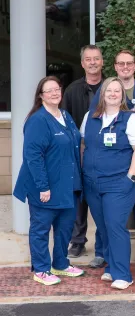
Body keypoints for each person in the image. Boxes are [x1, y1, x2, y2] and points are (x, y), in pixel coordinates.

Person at [14, 76, 84, 286]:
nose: (55, 93)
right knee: (41, 229)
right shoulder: (37, 120)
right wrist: (43, 186)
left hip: (67, 185)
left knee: (64, 229)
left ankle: (61, 264)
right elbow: (33, 157)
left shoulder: (65, 115)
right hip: (45, 187)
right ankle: (41, 269)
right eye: (49, 90)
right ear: (41, 95)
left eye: (57, 89)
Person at [81, 77, 135, 290]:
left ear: (122, 95)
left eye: (117, 90)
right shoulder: (89, 117)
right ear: (102, 94)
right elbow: (84, 145)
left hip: (119, 183)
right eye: (108, 90)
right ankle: (111, 267)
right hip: (92, 184)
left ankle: (123, 274)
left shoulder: (131, 119)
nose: (112, 93)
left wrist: (130, 176)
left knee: (116, 226)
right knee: (104, 226)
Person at [91, 49, 135, 267]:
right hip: (107, 172)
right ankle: (103, 253)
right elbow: (89, 132)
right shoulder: (102, 93)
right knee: (106, 216)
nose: (125, 67)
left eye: (129, 63)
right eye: (120, 63)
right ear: (115, 67)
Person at [62, 45, 105, 265]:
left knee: (100, 200)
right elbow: (65, 120)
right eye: (88, 59)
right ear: (82, 63)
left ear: (102, 62)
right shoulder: (71, 90)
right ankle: (77, 241)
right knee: (78, 199)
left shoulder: (110, 87)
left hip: (104, 152)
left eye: (96, 59)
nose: (92, 62)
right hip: (77, 151)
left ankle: (101, 246)